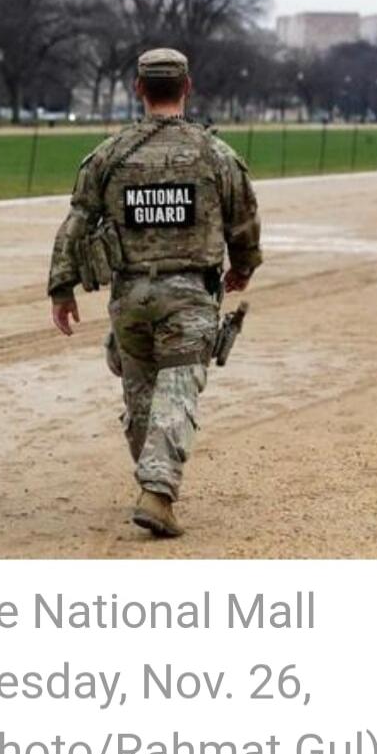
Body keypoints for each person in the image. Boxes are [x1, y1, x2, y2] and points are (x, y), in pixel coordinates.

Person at [48, 46, 262, 538]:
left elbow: (76, 224)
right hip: (189, 295)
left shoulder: (109, 154)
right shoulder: (216, 154)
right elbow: (245, 219)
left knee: (141, 392)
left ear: (138, 88)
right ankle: (158, 492)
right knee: (178, 390)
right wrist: (244, 267)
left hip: (130, 298)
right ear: (187, 88)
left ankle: (151, 478)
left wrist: (62, 288)